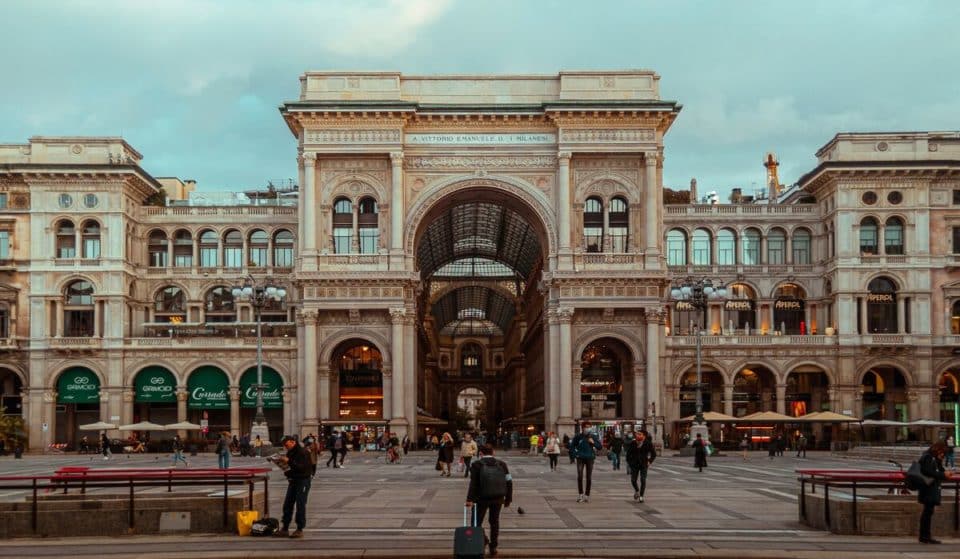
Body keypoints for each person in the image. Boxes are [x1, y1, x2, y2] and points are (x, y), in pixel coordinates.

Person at [465, 444, 513, 557]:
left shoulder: (476, 465)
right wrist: (508, 499)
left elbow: (474, 484)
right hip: (498, 498)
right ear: (493, 452)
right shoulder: (502, 464)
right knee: (494, 522)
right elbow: (509, 482)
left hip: (481, 498)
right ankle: (493, 547)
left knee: (476, 523)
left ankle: (484, 540)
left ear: (480, 453)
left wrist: (469, 499)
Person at [274, 435, 312, 538]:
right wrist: (284, 467)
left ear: (293, 442)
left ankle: (299, 529)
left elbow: (302, 468)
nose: (285, 447)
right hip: (293, 480)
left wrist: (288, 461)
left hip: (303, 480)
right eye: (284, 445)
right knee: (287, 504)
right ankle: (285, 528)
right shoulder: (290, 452)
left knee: (300, 504)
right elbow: (291, 467)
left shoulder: (303, 452)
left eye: (286, 445)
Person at [917, 441, 952, 544]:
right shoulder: (927, 457)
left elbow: (939, 470)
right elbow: (928, 472)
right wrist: (943, 475)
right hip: (927, 489)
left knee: (928, 512)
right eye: (942, 452)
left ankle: (925, 536)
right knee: (927, 513)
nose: (942, 454)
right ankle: (925, 536)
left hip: (930, 489)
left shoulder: (933, 458)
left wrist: (939, 461)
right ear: (937, 449)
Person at [570, 424, 602, 503]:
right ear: (582, 428)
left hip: (590, 458)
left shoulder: (593, 436)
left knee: (589, 477)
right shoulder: (578, 436)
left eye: (589, 427)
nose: (588, 428)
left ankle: (587, 495)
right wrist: (575, 454)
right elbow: (572, 446)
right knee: (580, 476)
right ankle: (580, 494)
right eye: (586, 427)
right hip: (580, 458)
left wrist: (593, 442)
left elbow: (600, 447)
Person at [625, 429, 656, 502]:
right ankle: (637, 490)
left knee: (643, 480)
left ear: (644, 436)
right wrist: (630, 463)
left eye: (639, 434)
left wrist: (649, 461)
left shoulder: (648, 443)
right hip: (634, 464)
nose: (637, 435)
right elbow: (628, 454)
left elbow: (653, 454)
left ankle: (641, 496)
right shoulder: (633, 443)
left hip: (643, 464)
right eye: (637, 434)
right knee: (633, 480)